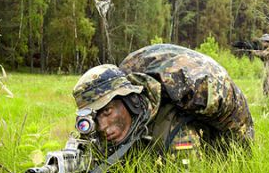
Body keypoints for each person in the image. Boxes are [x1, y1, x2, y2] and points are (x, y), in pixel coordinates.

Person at [72, 44, 254, 165]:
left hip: (221, 103)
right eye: (95, 117)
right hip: (160, 87)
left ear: (130, 99)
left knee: (174, 138)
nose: (103, 126)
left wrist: (240, 159)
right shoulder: (126, 78)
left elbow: (237, 119)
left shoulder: (197, 89)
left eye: (107, 111)